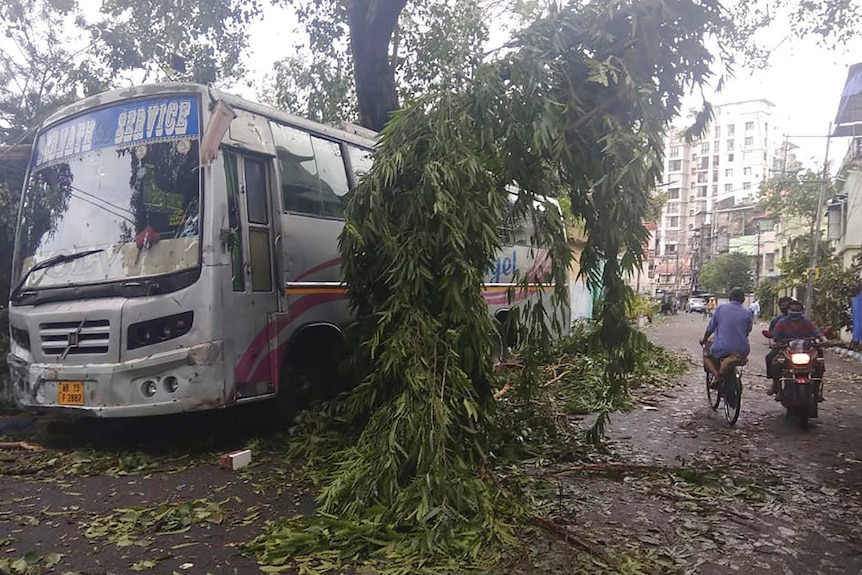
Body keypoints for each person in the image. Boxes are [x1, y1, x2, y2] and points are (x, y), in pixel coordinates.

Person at [771, 300, 826, 400]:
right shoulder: (781, 322)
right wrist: (774, 343)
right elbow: (774, 338)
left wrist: (824, 341)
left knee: (819, 363)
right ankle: (776, 386)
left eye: (797, 310)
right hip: (787, 350)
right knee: (775, 361)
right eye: (792, 310)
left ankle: (816, 390)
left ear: (802, 311)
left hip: (806, 351)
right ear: (788, 311)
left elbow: (818, 334)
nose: (795, 312)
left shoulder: (807, 322)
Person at [699, 287, 753, 383]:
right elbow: (747, 331)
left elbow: (710, 328)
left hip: (722, 348)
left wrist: (704, 340)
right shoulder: (747, 313)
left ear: (730, 298)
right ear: (743, 300)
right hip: (742, 350)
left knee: (706, 355)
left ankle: (716, 375)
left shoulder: (721, 308)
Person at [765, 296, 794, 394]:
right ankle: (775, 383)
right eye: (783, 306)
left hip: (800, 349)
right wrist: (775, 343)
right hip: (783, 348)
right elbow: (773, 336)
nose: (785, 308)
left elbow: (815, 332)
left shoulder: (804, 319)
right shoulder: (778, 321)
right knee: (771, 359)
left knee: (818, 360)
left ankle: (816, 388)